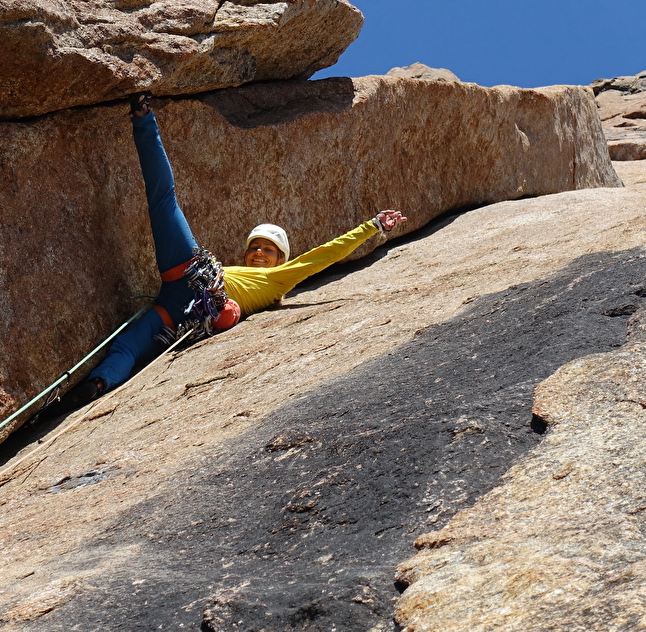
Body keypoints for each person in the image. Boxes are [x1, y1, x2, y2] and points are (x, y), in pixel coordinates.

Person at [52, 92, 406, 412]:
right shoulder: (242, 269)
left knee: (166, 204)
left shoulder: (278, 281)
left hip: (198, 305)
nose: (259, 254)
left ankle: (145, 119)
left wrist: (373, 226)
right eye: (255, 247)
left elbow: (322, 255)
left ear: (282, 260)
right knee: (129, 342)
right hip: (182, 284)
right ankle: (97, 384)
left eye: (269, 250)